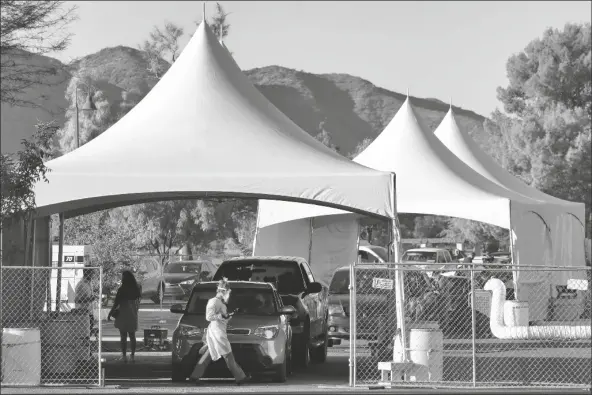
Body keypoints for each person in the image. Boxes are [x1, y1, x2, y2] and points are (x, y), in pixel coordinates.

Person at [189, 278, 251, 386]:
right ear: (223, 291)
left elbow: (220, 317)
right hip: (218, 333)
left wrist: (227, 316)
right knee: (228, 355)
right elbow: (208, 317)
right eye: (227, 292)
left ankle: (195, 376)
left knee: (208, 354)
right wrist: (222, 316)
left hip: (217, 330)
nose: (228, 295)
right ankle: (241, 377)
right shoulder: (213, 301)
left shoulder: (218, 302)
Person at [108, 270, 141, 363]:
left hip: (123, 315)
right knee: (132, 336)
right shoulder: (136, 289)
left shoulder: (121, 290)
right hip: (133, 315)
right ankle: (133, 355)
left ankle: (124, 356)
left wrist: (110, 313)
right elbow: (138, 302)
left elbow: (116, 304)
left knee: (123, 336)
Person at [74, 268, 97, 336]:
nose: (93, 276)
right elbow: (76, 300)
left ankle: (88, 345)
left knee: (89, 333)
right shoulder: (81, 284)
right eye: (92, 274)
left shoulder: (89, 283)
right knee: (84, 334)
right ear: (87, 273)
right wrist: (89, 299)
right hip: (82, 313)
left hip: (89, 312)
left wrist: (91, 298)